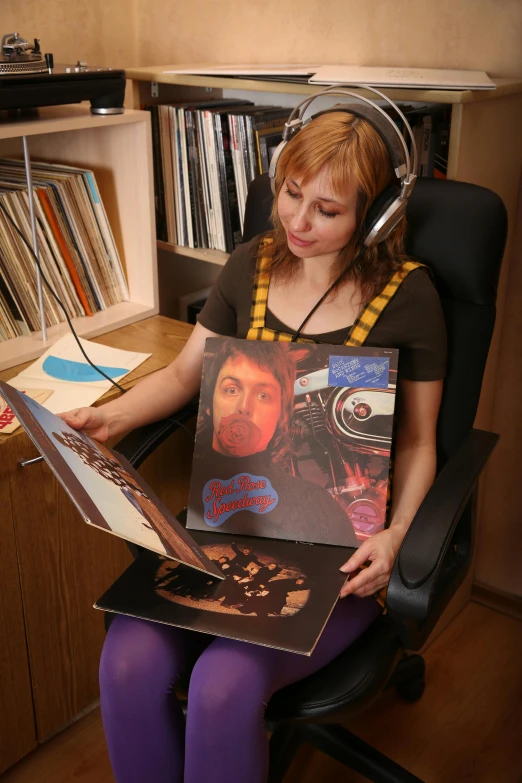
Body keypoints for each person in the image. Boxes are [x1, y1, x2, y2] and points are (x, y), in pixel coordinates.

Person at [60, 106, 446, 783]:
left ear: (377, 215)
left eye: (326, 209)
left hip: (339, 558)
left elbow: (416, 442)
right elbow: (185, 374)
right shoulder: (251, 267)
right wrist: (110, 420)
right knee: (126, 661)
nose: (297, 220)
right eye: (291, 193)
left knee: (222, 687)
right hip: (229, 534)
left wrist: (398, 535)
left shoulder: (409, 297)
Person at [190, 339, 358, 545]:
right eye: (232, 389)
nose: (244, 407)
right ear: (208, 404)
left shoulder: (316, 508)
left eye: (263, 395)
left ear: (283, 416)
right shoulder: (181, 480)